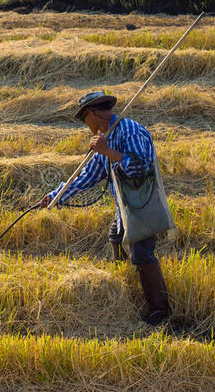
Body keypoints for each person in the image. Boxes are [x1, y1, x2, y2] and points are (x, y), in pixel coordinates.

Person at [38, 90, 171, 326]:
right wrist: (55, 197)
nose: (84, 124)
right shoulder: (105, 136)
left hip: (143, 204)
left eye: (83, 119)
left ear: (92, 114)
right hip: (125, 206)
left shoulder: (130, 131)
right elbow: (88, 176)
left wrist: (108, 150)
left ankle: (159, 311)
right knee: (116, 237)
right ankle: (127, 288)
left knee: (142, 253)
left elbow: (141, 169)